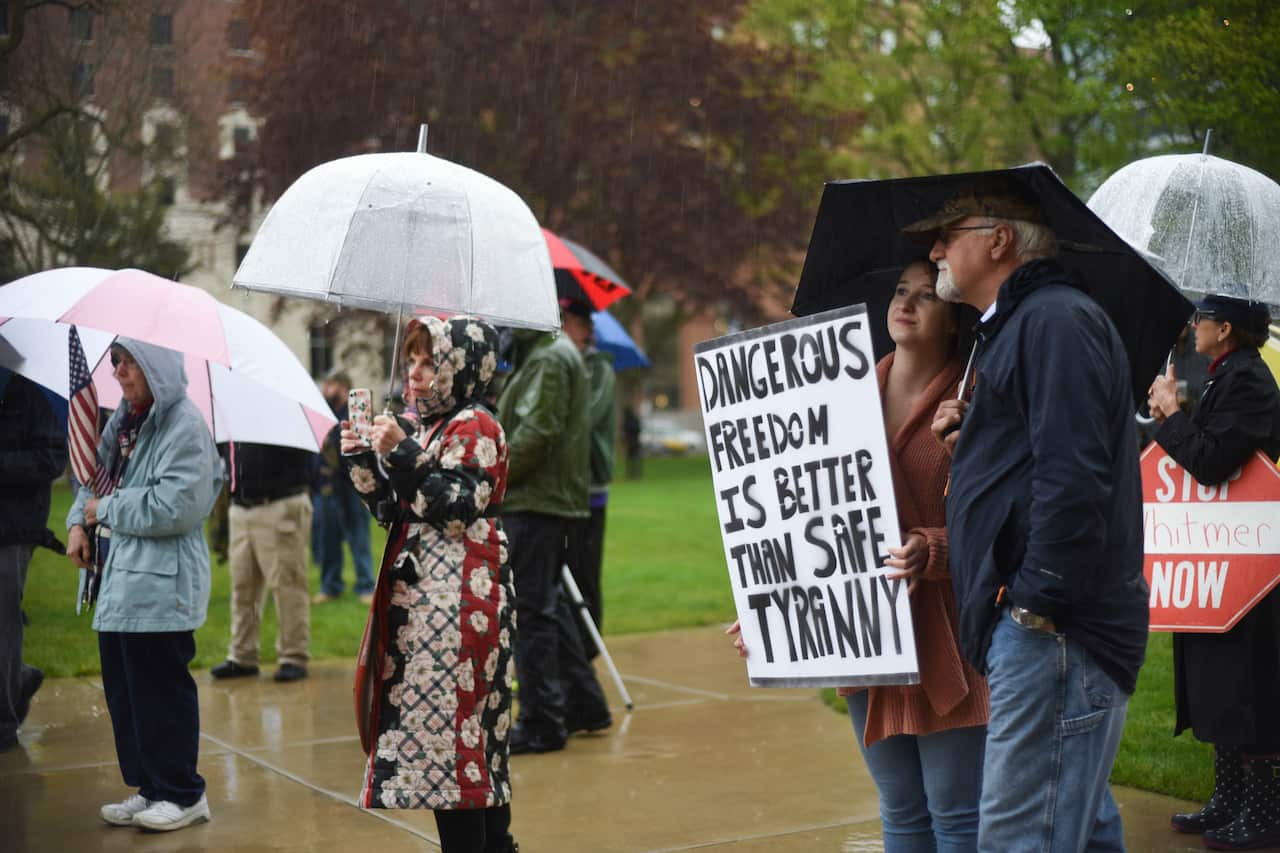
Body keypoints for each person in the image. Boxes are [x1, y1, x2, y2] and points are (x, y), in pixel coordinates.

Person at [730, 260, 989, 851]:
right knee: (899, 809)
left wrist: (935, 546)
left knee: (955, 815)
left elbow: (1000, 521)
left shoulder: (971, 400)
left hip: (943, 630)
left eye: (927, 296)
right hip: (862, 626)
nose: (907, 303)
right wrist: (767, 607)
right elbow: (798, 512)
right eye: (901, 291)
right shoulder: (836, 393)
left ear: (954, 321)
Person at [920, 181, 1148, 852]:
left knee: (1022, 838)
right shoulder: (1021, 326)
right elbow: (1044, 458)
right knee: (1078, 830)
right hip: (1048, 634)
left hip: (1054, 632)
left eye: (947, 232)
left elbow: (1074, 478)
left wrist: (1032, 604)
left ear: (999, 239)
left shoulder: (1052, 320)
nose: (935, 248)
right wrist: (980, 435)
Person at [341, 316, 517, 853]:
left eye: (429, 363)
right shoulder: (432, 426)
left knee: (457, 749)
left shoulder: (477, 424)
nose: (414, 375)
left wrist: (401, 452)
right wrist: (363, 461)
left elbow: (457, 509)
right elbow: (398, 511)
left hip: (463, 613)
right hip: (430, 610)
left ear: (461, 367)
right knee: (467, 746)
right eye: (411, 362)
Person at [66, 339, 221, 832]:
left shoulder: (187, 429)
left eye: (129, 362)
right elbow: (92, 480)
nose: (119, 373)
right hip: (120, 581)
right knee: (127, 693)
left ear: (155, 366)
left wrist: (103, 512)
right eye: (116, 362)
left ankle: (183, 793)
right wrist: (76, 523)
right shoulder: (125, 422)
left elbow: (176, 506)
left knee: (161, 691)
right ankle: (151, 787)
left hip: (162, 586)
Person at [1147, 292, 1280, 851]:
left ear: (1224, 329)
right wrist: (1172, 417)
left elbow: (1210, 463)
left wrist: (1173, 414)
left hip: (1250, 567)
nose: (1192, 325)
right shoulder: (1228, 374)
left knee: (1248, 687)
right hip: (1221, 561)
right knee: (1221, 684)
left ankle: (1265, 811)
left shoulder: (1248, 381)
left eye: (1200, 318)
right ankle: (1229, 797)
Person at [498, 315, 611, 755]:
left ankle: (543, 721)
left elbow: (536, 434)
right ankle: (584, 703)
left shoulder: (547, 358)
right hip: (542, 499)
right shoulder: (544, 355)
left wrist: (491, 473)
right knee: (548, 605)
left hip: (535, 501)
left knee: (531, 613)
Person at [210, 441, 317, 683]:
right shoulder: (233, 414)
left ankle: (293, 656)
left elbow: (302, 456)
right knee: (242, 586)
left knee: (287, 585)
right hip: (240, 507)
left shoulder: (283, 409)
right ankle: (242, 656)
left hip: (280, 503)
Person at [0, 367, 67, 752]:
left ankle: (3, 723)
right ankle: (20, 679)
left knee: (3, 624)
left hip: (14, 530)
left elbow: (51, 459)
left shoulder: (31, 393)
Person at [559, 298, 616, 656]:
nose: (563, 328)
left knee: (586, 572)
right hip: (562, 487)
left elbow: (585, 416)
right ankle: (569, 645)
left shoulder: (599, 370)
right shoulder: (560, 364)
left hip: (590, 484)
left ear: (585, 328)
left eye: (569, 322)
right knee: (564, 573)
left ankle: (589, 646)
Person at [312, 368, 375, 604]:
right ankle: (330, 586)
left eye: (331, 385)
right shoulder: (323, 412)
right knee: (328, 539)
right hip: (327, 486)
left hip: (352, 485)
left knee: (359, 536)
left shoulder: (356, 411)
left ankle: (366, 585)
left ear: (342, 386)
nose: (326, 390)